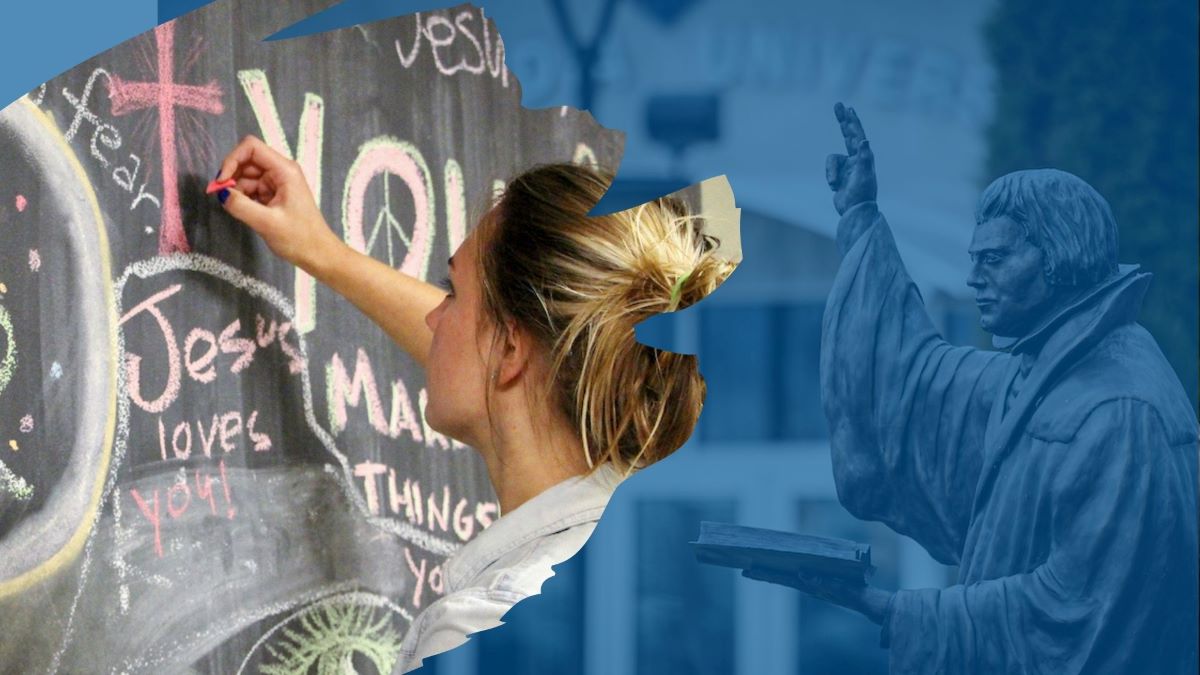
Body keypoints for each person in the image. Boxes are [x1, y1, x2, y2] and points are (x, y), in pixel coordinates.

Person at [214, 136, 736, 672]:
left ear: (511, 347)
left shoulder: (483, 632)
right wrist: (323, 253)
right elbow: (512, 357)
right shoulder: (645, 574)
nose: (433, 318)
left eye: (452, 292)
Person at [745, 103, 1198, 673]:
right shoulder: (1043, 374)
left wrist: (899, 612)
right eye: (973, 259)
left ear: (1056, 261)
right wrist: (861, 219)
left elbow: (1085, 611)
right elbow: (912, 381)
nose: (972, 278)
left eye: (994, 259)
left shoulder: (1116, 409)